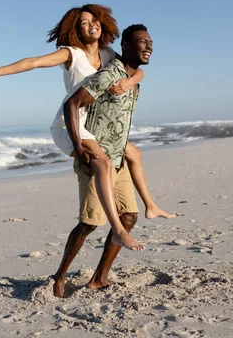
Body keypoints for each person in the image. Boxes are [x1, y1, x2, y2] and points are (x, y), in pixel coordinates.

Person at [0, 5, 174, 250]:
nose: (92, 25)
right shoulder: (71, 54)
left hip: (94, 124)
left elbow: (138, 70)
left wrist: (129, 82)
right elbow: (33, 62)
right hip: (70, 122)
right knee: (102, 163)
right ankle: (118, 229)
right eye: (85, 23)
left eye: (95, 20)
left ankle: (150, 205)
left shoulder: (107, 54)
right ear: (76, 30)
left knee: (133, 153)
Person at [53, 24, 154, 297]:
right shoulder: (110, 73)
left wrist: (134, 80)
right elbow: (72, 104)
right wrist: (78, 146)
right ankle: (59, 277)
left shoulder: (133, 77)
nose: (149, 46)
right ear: (125, 46)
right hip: (95, 155)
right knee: (89, 223)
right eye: (142, 42)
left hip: (117, 156)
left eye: (150, 42)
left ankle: (99, 278)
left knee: (129, 216)